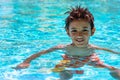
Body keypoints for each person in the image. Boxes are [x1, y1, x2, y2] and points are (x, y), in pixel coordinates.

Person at [13, 6, 120, 80]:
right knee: (64, 74)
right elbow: (42, 53)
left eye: (84, 30)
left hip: (91, 60)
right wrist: (26, 61)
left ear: (92, 31)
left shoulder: (93, 49)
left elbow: (113, 52)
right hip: (69, 60)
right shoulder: (65, 48)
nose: (79, 35)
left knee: (115, 71)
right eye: (74, 30)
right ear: (68, 32)